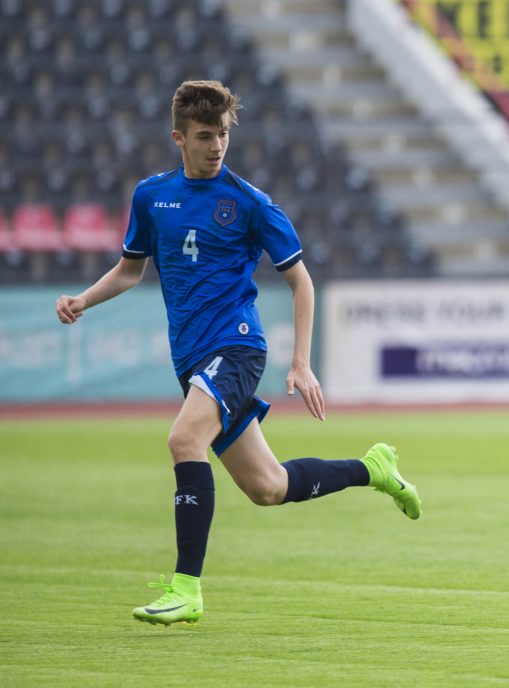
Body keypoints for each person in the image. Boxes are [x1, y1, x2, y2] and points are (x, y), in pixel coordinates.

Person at [55, 80, 421, 627]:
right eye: (205, 135)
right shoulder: (152, 196)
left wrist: (301, 362)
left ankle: (187, 588)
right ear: (179, 137)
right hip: (192, 359)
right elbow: (131, 270)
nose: (217, 145)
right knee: (268, 488)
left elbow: (302, 282)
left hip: (237, 346)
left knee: (184, 439)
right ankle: (374, 469)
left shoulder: (250, 203)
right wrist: (83, 300)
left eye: (223, 134)